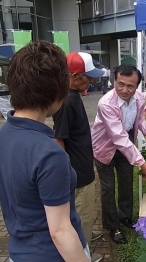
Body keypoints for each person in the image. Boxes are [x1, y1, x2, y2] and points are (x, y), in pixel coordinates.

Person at [0, 40, 89, 261]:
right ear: (58, 91)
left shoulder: (4, 135)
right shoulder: (49, 154)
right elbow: (60, 231)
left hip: (18, 253)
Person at [91, 65, 146, 244]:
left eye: (131, 86)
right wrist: (141, 162)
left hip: (126, 141)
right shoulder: (106, 103)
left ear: (137, 86)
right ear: (114, 80)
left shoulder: (139, 98)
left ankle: (125, 217)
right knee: (108, 188)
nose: (125, 90)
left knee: (126, 182)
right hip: (104, 146)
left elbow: (140, 118)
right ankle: (113, 227)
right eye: (120, 84)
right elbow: (117, 137)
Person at [52, 52, 104, 262]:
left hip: (82, 167)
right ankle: (84, 253)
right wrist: (65, 173)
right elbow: (59, 140)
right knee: (81, 214)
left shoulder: (74, 95)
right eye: (87, 77)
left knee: (87, 212)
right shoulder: (65, 102)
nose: (91, 81)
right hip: (77, 173)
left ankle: (87, 238)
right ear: (74, 76)